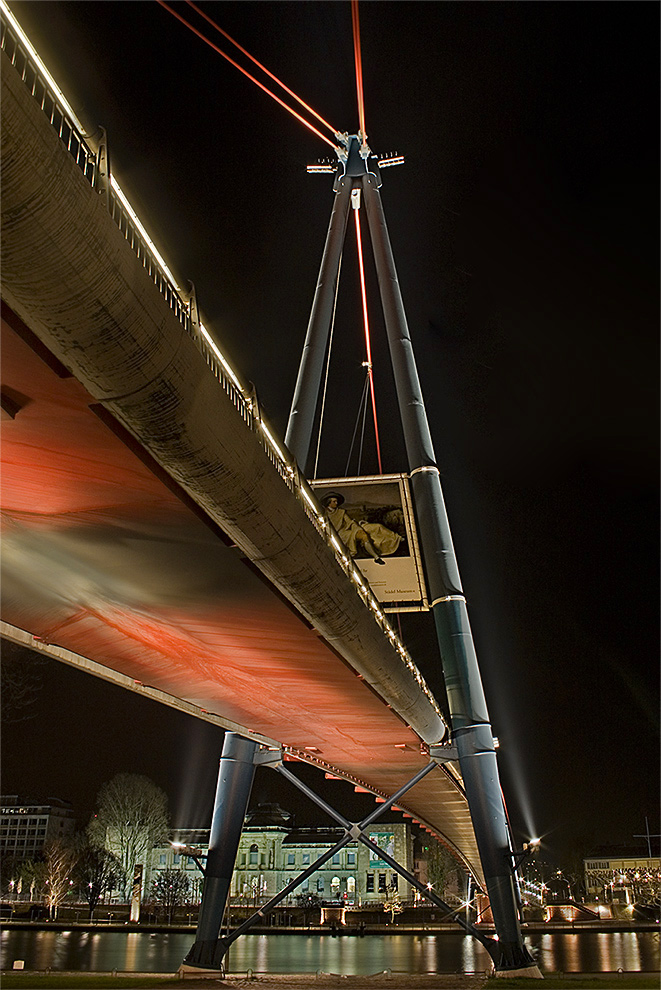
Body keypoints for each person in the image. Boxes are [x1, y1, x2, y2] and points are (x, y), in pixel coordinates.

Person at [322, 492, 388, 564]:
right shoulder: (324, 513)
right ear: (329, 503)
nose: (336, 503)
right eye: (334, 501)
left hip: (344, 531)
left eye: (337, 501)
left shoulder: (341, 512)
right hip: (335, 534)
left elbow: (350, 522)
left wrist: (358, 529)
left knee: (364, 536)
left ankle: (376, 557)